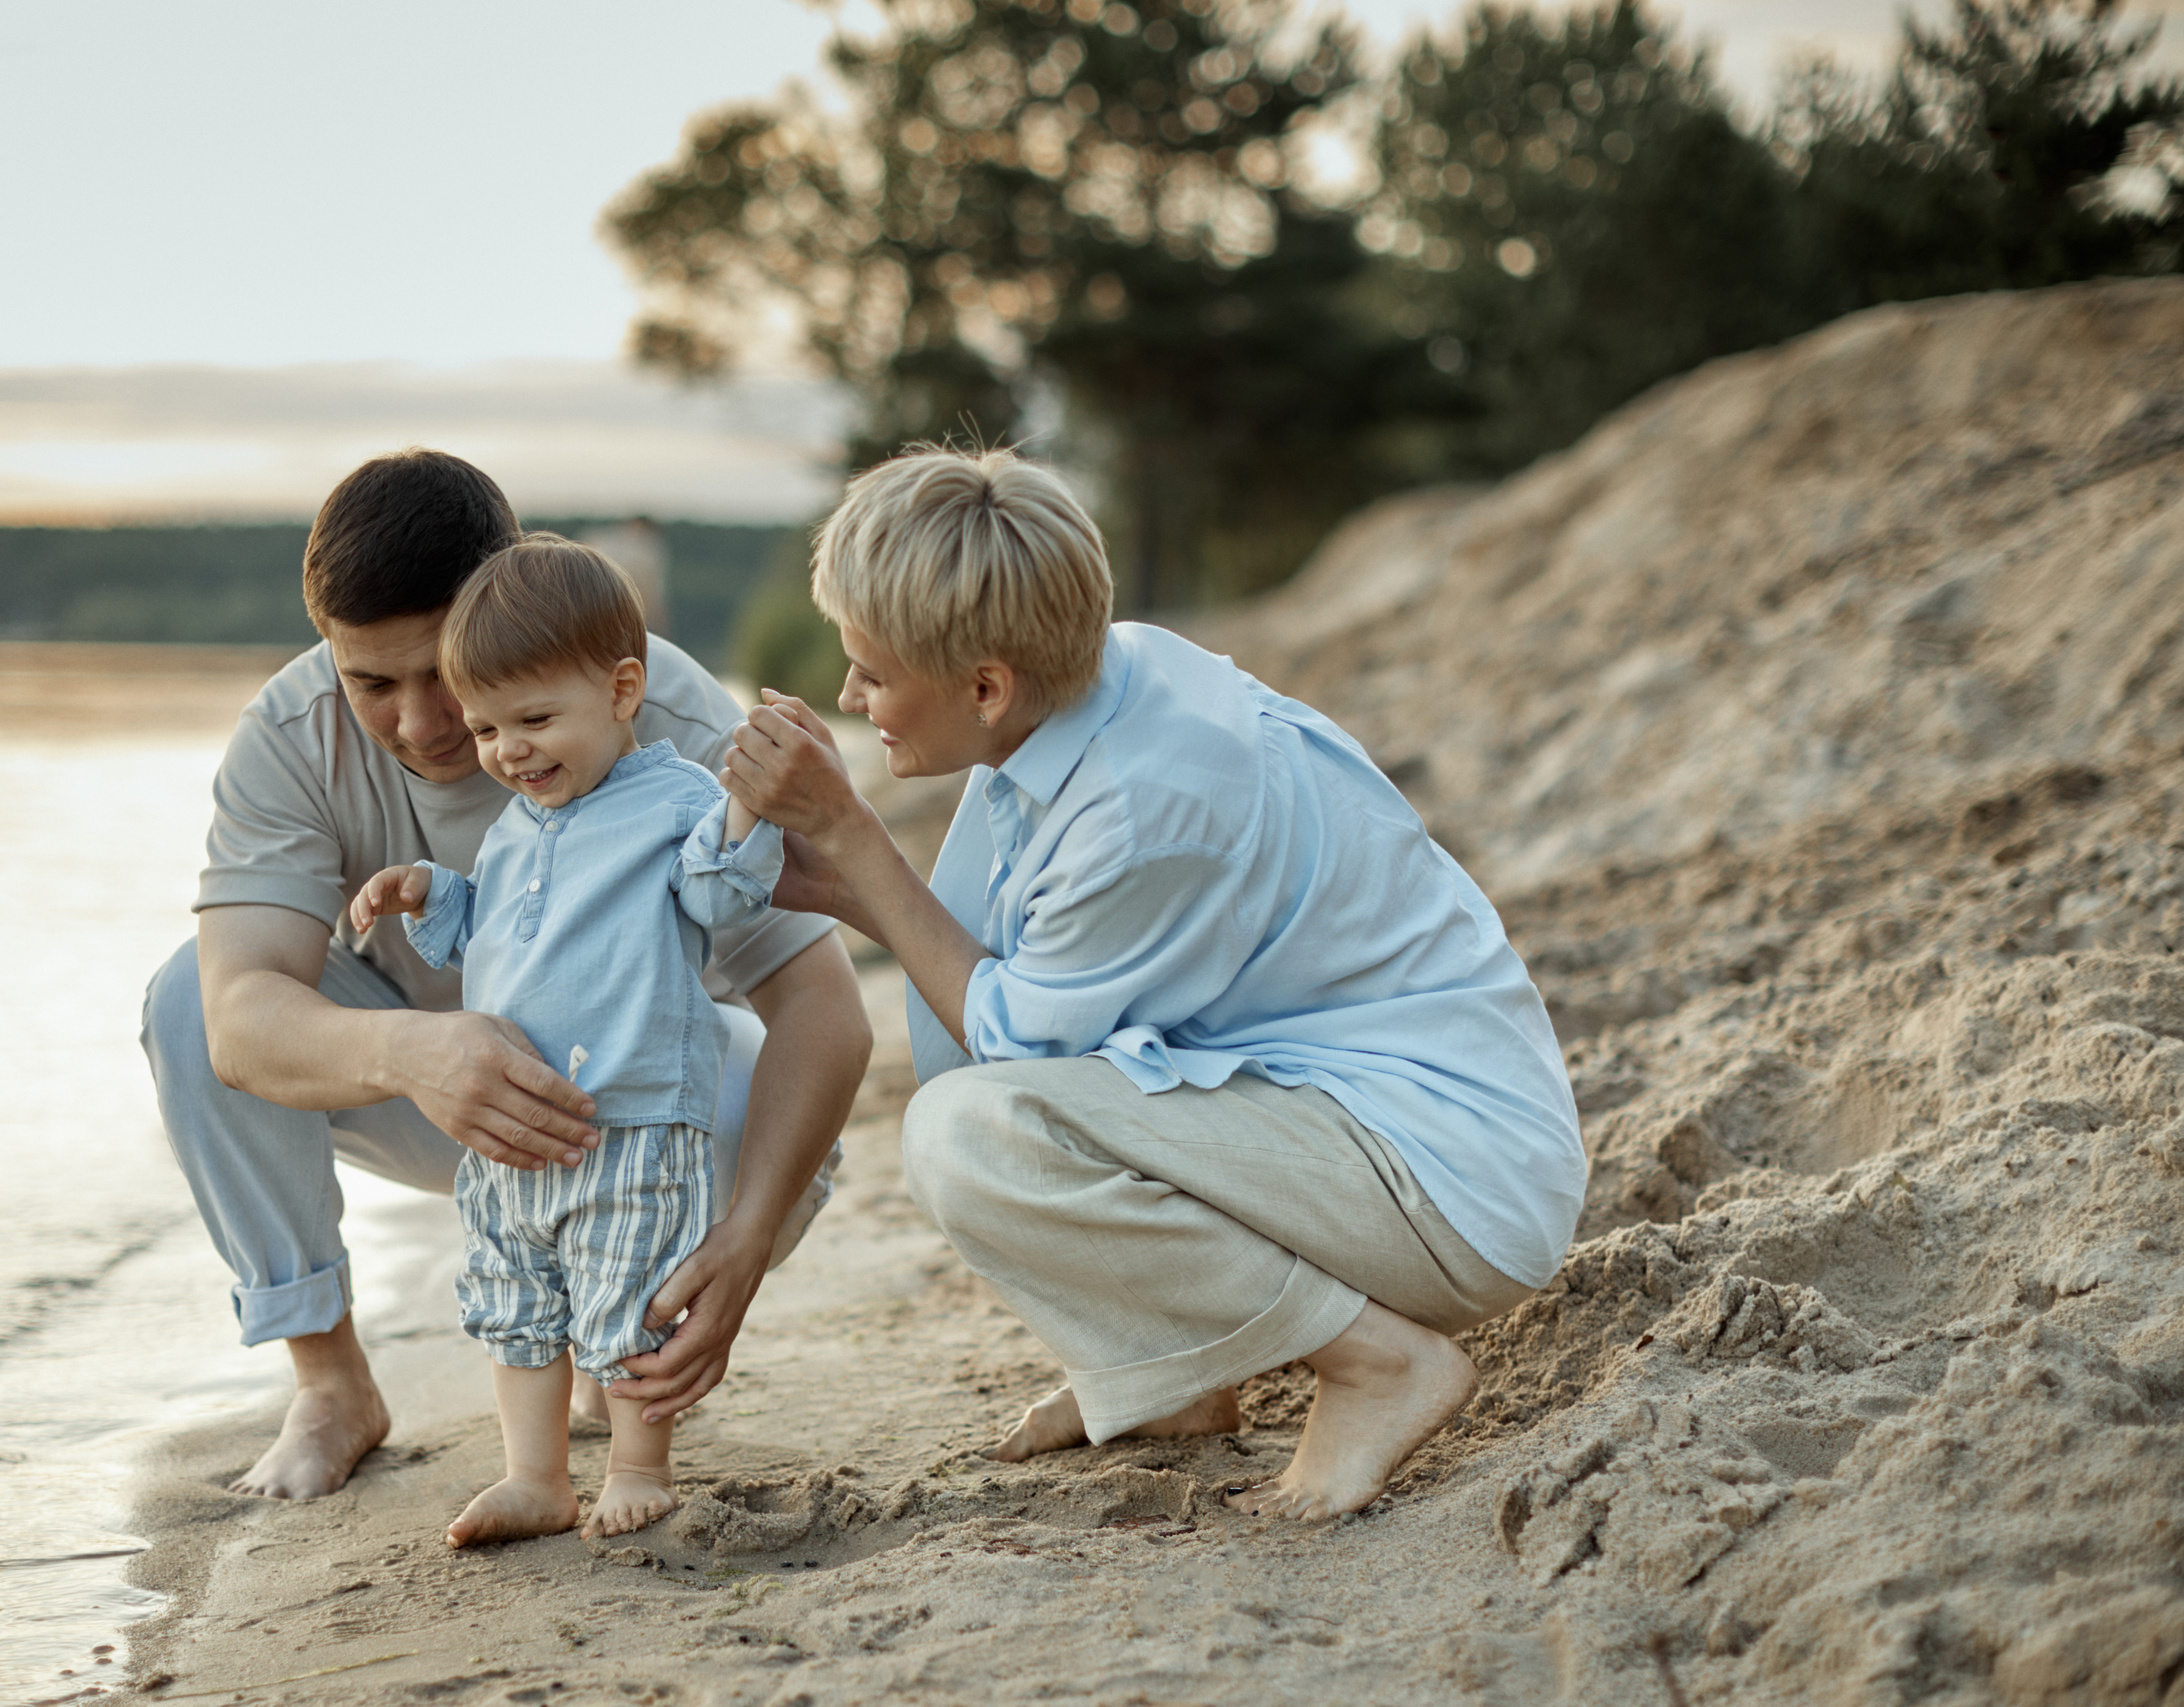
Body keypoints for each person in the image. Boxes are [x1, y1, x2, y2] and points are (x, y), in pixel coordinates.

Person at [720, 447, 1587, 1521]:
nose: (851, 697)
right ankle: (1178, 1377)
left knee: (969, 1139)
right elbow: (1022, 991)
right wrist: (841, 885)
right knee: (985, 1092)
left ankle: (1378, 1362)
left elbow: (1016, 1054)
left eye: (871, 673)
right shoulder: (1095, 688)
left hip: (1450, 1183)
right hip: (1370, 1117)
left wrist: (856, 839)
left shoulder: (1144, 804)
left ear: (986, 686)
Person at [141, 450, 870, 1502]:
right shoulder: (290, 736)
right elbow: (239, 1019)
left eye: (443, 674)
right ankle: (332, 1386)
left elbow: (822, 1006)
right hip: (421, 1093)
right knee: (186, 998)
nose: (420, 724)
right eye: (370, 683)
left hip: (632, 1105)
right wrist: (413, 1052)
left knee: (761, 1079)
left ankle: (624, 1327)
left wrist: (749, 1236)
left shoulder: (648, 704)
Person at [346, 535, 785, 1544]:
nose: (509, 751)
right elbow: (496, 932)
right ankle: (535, 1476)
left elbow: (720, 895)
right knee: (515, 1299)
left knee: (631, 1299)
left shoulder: (676, 800)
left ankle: (636, 1463)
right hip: (514, 1126)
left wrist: (747, 810)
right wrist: (430, 891)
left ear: (623, 690)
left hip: (632, 1114)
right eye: (486, 727)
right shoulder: (515, 827)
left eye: (536, 720)